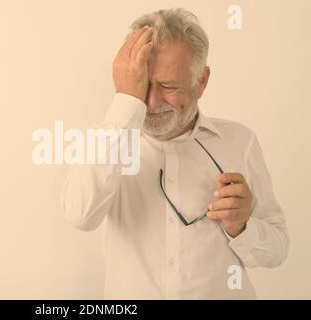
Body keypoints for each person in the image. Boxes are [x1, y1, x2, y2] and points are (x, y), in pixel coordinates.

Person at [60, 8, 288, 299]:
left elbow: (278, 250)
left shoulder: (240, 141)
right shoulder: (105, 141)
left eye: (168, 86)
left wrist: (243, 228)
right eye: (143, 84)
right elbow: (80, 216)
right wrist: (126, 101)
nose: (152, 102)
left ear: (201, 81)